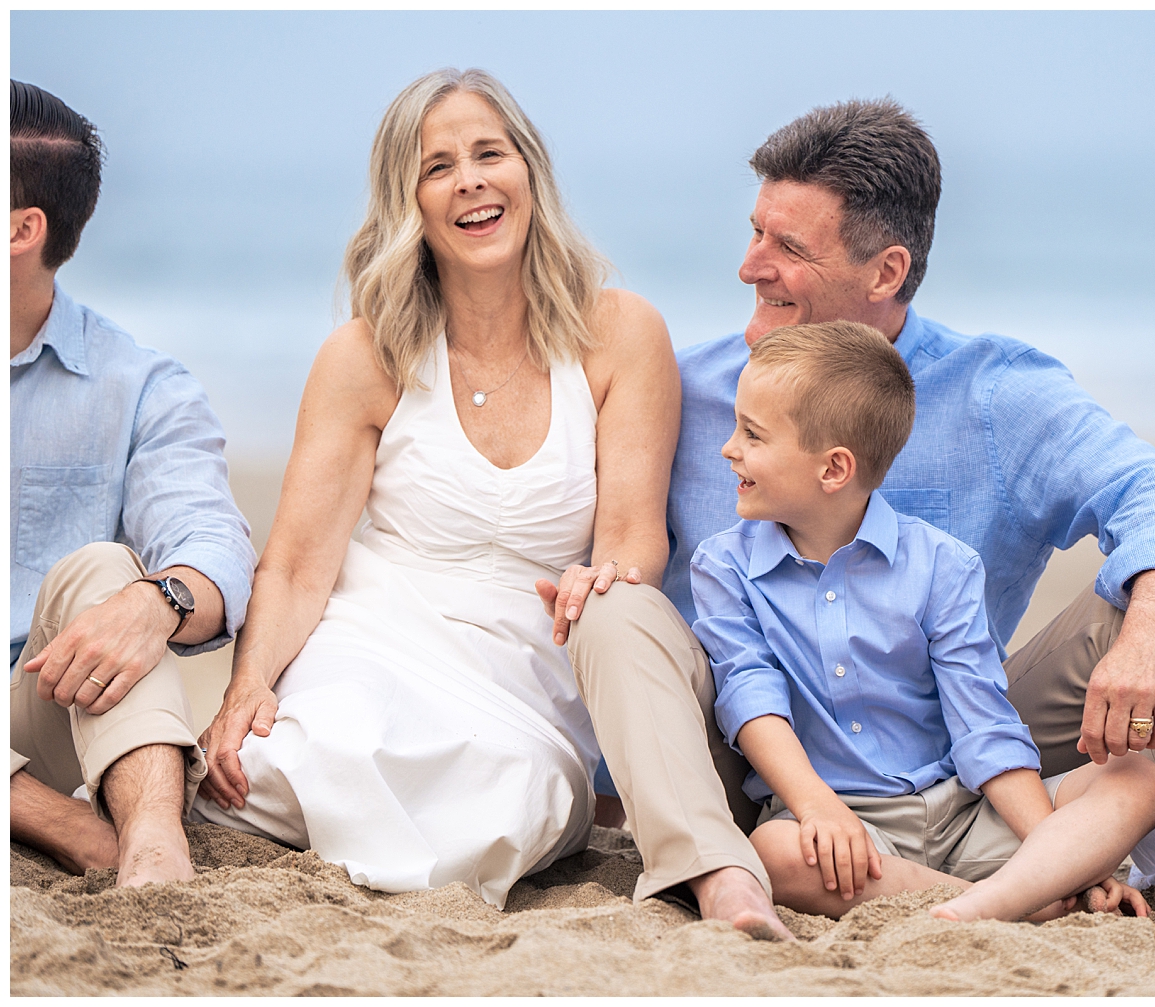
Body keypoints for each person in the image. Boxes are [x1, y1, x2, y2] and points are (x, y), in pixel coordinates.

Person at [568, 98, 1155, 936]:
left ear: (886, 271)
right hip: (752, 762)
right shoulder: (688, 388)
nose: (749, 266)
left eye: (788, 246)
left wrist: (1146, 632)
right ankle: (729, 875)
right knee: (612, 601)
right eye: (755, 232)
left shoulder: (996, 393)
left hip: (959, 752)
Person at [192, 68, 681, 907]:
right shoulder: (365, 352)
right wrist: (247, 689)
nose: (472, 181)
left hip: (527, 669)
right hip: (376, 629)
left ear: (531, 171)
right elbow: (301, 562)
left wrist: (601, 583)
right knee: (305, 750)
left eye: (491, 153)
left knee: (511, 801)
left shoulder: (620, 333)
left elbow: (634, 540)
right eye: (439, 166)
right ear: (408, 201)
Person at [690, 320, 1155, 923]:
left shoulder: (943, 564)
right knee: (774, 852)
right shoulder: (724, 567)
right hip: (848, 828)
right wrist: (816, 808)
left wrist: (1059, 852)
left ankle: (1022, 889)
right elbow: (750, 695)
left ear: (834, 469)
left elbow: (983, 725)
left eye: (752, 434)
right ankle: (1006, 900)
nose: (729, 447)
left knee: (1138, 781)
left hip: (962, 811)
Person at [9, 80, 256, 887]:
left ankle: (154, 844)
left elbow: (212, 546)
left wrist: (158, 603)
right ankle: (73, 830)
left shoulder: (140, 384)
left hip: (40, 703)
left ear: (21, 228)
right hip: (45, 786)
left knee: (111, 574)